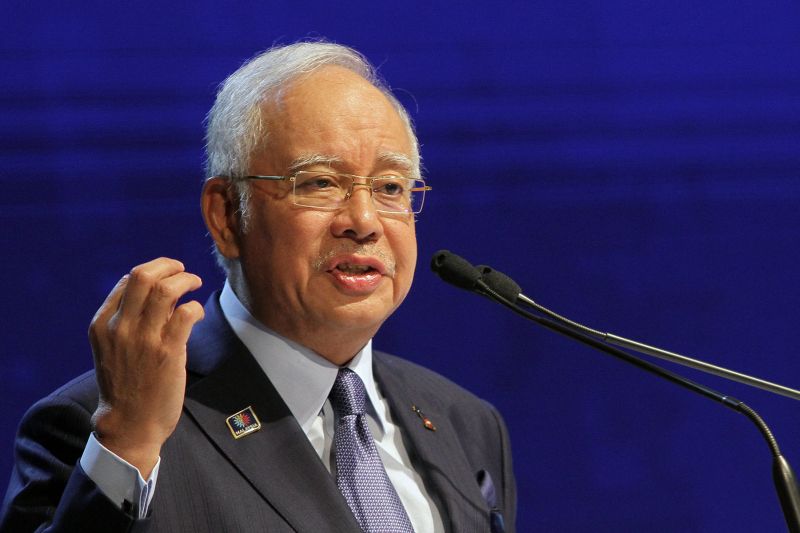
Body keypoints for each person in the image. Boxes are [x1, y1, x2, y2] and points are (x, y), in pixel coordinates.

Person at [0, 41, 516, 532]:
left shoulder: (466, 423)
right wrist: (126, 445)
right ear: (227, 215)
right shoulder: (105, 426)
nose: (363, 221)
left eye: (389, 188)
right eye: (320, 183)